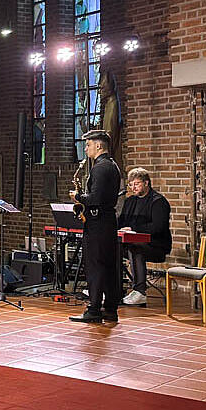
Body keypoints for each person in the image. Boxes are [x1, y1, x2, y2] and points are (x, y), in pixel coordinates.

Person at [69, 129, 122, 323]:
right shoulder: (112, 165)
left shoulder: (100, 168)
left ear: (98, 145)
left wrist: (78, 197)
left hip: (98, 222)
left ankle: (93, 309)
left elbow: (96, 198)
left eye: (88, 144)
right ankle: (110, 309)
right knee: (108, 265)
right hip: (107, 221)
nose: (86, 148)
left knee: (95, 266)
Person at [119, 167, 172, 306]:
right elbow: (122, 222)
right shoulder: (130, 201)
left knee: (135, 248)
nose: (133, 188)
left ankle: (140, 292)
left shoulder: (158, 201)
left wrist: (133, 229)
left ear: (146, 183)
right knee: (111, 247)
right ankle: (112, 289)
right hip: (131, 242)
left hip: (156, 246)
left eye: (136, 184)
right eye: (131, 184)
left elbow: (158, 227)